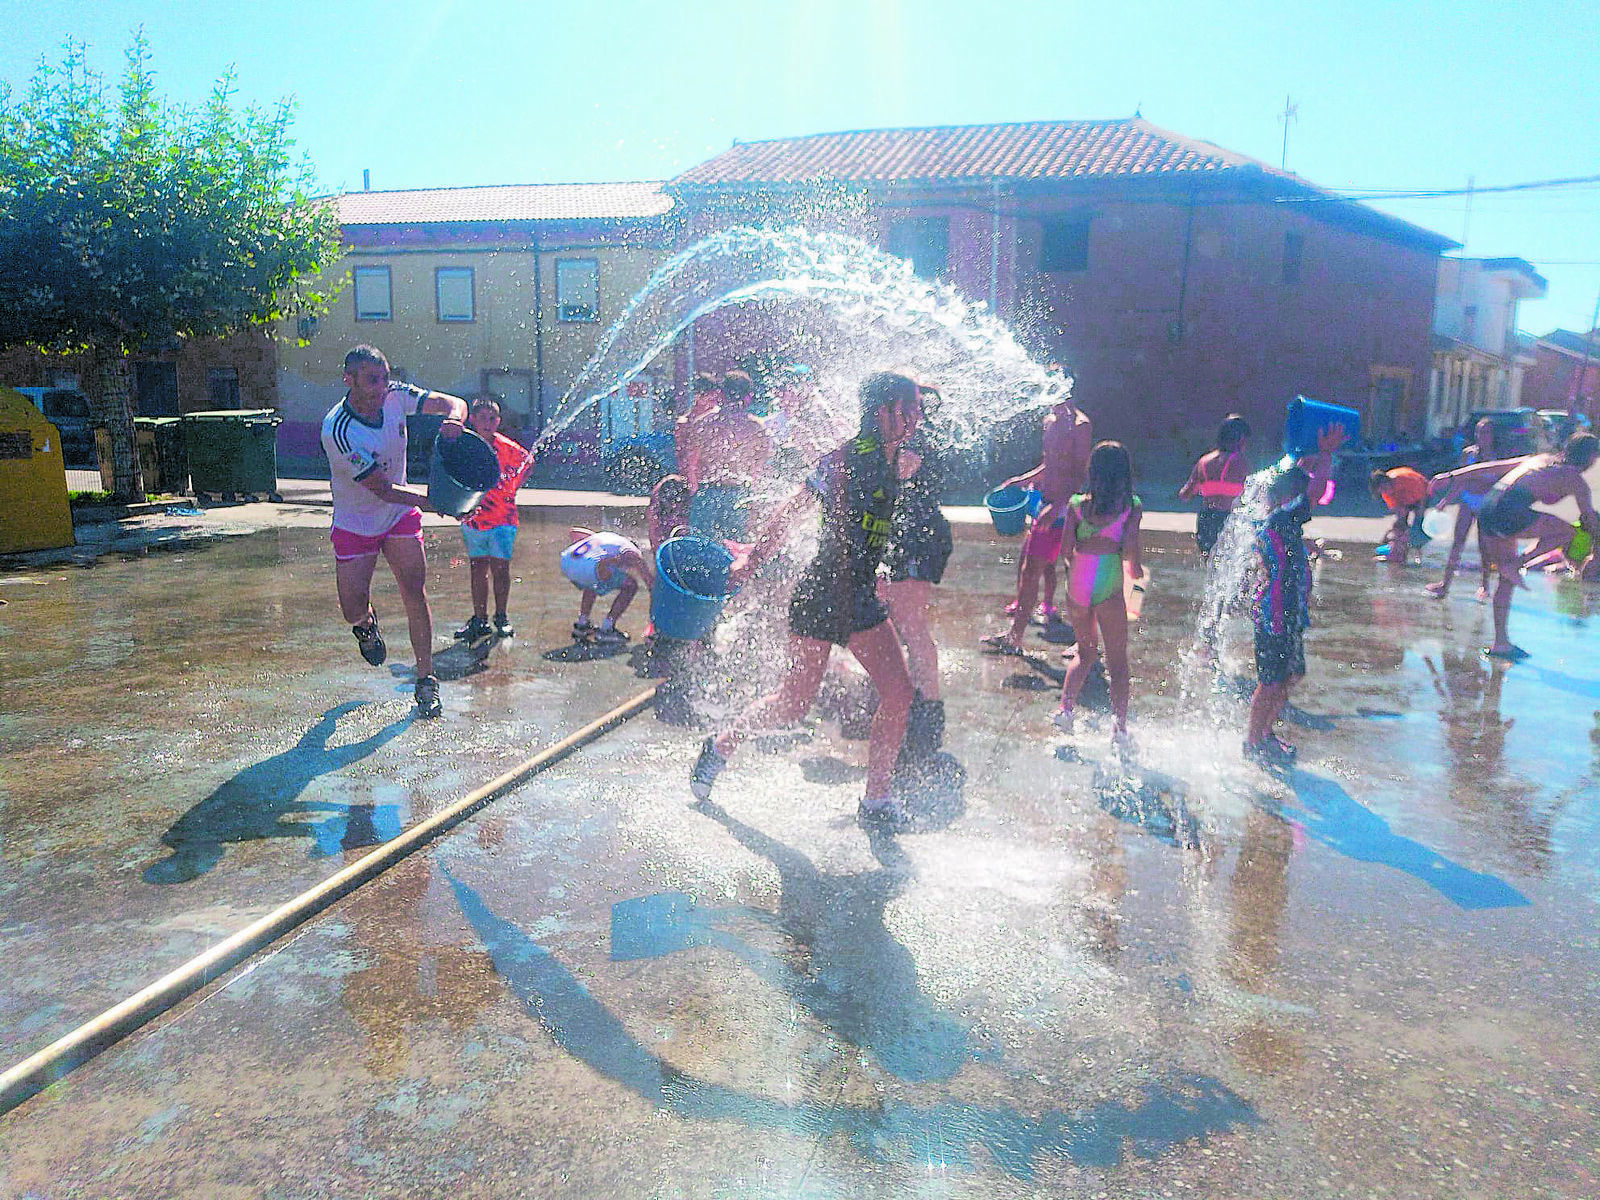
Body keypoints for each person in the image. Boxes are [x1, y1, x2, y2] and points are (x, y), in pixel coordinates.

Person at [689, 372, 922, 824]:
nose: (916, 418)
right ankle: (719, 746)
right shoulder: (841, 461)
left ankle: (875, 801)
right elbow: (790, 511)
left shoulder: (898, 460)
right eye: (907, 409)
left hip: (859, 596)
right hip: (822, 594)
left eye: (916, 410)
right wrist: (751, 561)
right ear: (882, 412)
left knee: (899, 693)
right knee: (793, 704)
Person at [321, 345, 467, 718]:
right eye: (373, 380)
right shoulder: (338, 430)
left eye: (385, 377)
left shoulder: (396, 396)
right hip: (357, 524)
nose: (382, 387)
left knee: (414, 590)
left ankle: (426, 680)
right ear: (348, 380)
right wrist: (438, 501)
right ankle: (366, 626)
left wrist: (454, 419)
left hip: (399, 518)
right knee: (352, 608)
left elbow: (454, 402)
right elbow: (381, 488)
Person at [1431, 432, 1600, 660]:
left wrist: (1451, 476)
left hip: (1488, 509)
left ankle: (1501, 643)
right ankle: (1519, 562)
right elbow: (1589, 520)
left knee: (1507, 577)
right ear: (1590, 458)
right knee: (1567, 532)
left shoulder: (1538, 459)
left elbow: (1490, 468)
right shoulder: (1575, 480)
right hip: (1507, 512)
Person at [983, 372, 1093, 653]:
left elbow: (1080, 473)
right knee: (1032, 568)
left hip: (1065, 510)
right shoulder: (1050, 421)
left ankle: (1083, 642)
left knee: (1068, 572)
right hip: (1047, 504)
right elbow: (1050, 466)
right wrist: (1022, 479)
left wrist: (1057, 507)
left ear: (1066, 388)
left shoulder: (1080, 426)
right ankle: (1016, 636)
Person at [879, 382, 955, 763]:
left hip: (918, 538)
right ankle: (909, 701)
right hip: (909, 535)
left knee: (911, 626)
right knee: (896, 622)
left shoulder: (918, 441)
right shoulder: (916, 436)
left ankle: (927, 713)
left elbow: (900, 474)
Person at [1050, 441, 1143, 751]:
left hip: (1077, 581)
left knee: (1085, 652)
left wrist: (1080, 563)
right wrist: (1136, 571)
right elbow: (1130, 551)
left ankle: (1065, 710)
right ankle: (1119, 729)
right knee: (1117, 661)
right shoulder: (1130, 506)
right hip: (1108, 582)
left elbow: (1065, 550)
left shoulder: (1077, 505)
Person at [1244, 467, 1315, 765]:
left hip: (1289, 611)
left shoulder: (1283, 524)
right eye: (1296, 493)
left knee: (1291, 674)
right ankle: (1253, 741)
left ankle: (1266, 733)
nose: (1301, 500)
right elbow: (1311, 497)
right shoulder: (1279, 520)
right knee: (1271, 679)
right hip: (1275, 612)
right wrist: (1323, 456)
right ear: (1284, 496)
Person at [452, 398, 532, 646]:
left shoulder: (506, 447)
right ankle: (479, 618)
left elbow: (528, 462)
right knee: (477, 567)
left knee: (500, 569)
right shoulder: (465, 444)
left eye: (493, 418)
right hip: (474, 518)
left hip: (503, 519)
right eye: (483, 417)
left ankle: (501, 616)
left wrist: (513, 487)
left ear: (499, 421)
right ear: (472, 419)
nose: (488, 423)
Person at [682, 370, 773, 543]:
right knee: (735, 548)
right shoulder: (756, 427)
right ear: (749, 396)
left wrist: (695, 492)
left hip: (707, 492)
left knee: (699, 548)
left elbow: (691, 464)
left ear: (721, 394)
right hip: (739, 494)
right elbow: (760, 468)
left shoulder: (704, 423)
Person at [1427, 417, 1498, 600]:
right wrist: (1446, 500)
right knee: (1458, 542)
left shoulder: (1497, 457)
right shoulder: (1468, 454)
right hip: (1468, 500)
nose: (1482, 436)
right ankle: (1445, 584)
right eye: (1479, 432)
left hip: (1486, 504)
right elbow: (1461, 480)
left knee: (1484, 546)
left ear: (1492, 435)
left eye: (1486, 432)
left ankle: (1485, 585)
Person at [561, 528, 655, 644]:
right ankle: (607, 628)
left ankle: (582, 624)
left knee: (594, 578)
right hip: (590, 568)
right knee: (631, 585)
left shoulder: (606, 538)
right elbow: (650, 582)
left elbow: (573, 532)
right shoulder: (631, 551)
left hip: (566, 562)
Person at [1179, 414, 1251, 557]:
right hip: (1229, 520)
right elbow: (1254, 494)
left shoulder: (1204, 462)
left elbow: (1185, 495)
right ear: (1241, 439)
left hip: (1206, 520)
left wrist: (1209, 488)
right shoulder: (1241, 462)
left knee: (1210, 564)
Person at [1369, 466, 1431, 563]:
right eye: (1382, 491)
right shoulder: (1386, 493)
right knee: (1401, 525)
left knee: (1418, 525)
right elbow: (1398, 511)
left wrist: (1419, 516)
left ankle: (1418, 553)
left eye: (1385, 488)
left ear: (1387, 482)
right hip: (1403, 498)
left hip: (1421, 492)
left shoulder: (1405, 478)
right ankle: (1401, 554)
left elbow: (1423, 496)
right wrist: (1399, 528)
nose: (1385, 492)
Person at [672, 372, 722, 484]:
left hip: (713, 479)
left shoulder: (716, 420)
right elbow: (682, 458)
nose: (714, 403)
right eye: (711, 397)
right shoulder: (684, 423)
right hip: (694, 480)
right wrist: (690, 480)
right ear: (698, 396)